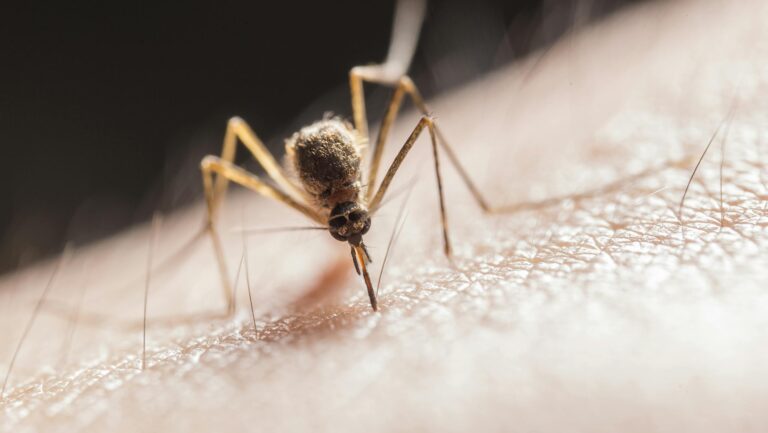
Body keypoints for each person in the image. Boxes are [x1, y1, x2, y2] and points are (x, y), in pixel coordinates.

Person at [1, 0, 766, 431]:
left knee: (407, 108)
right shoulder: (315, 196)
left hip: (344, 151)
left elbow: (419, 117)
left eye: (354, 228)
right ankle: (221, 297)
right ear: (340, 215)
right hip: (317, 159)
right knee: (223, 151)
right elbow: (224, 162)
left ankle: (492, 206)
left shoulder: (362, 183)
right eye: (349, 227)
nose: (357, 243)